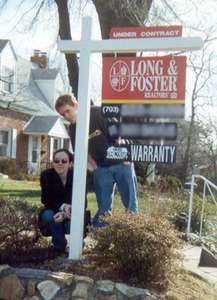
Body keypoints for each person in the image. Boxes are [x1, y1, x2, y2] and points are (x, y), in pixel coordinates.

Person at [55, 93, 138, 227]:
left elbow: (118, 135)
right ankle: (102, 240)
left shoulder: (97, 112)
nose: (66, 116)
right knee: (103, 208)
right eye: (62, 114)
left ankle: (132, 237)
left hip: (121, 162)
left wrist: (124, 158)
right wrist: (95, 167)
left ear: (76, 105)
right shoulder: (73, 128)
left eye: (67, 111)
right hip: (102, 167)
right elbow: (82, 150)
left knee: (130, 204)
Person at [39, 148, 73, 253]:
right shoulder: (46, 175)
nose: (60, 163)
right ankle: (59, 245)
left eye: (64, 161)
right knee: (49, 215)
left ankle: (78, 244)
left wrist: (66, 212)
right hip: (52, 208)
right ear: (53, 162)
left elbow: (82, 200)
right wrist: (62, 208)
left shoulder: (77, 176)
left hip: (72, 210)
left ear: (70, 163)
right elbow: (46, 199)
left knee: (74, 220)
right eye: (56, 161)